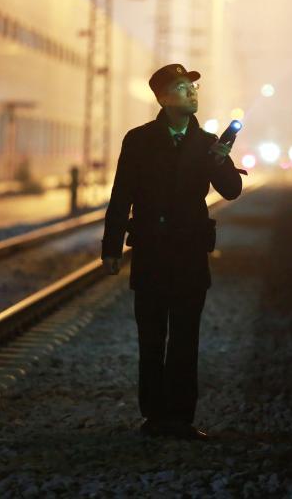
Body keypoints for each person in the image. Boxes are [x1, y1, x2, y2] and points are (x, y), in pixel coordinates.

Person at [101, 63, 243, 441]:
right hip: (150, 253)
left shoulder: (207, 143)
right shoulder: (138, 140)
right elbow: (121, 197)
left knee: (185, 339)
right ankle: (153, 416)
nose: (192, 93)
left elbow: (231, 191)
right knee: (150, 339)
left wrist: (221, 162)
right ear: (163, 98)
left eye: (193, 87)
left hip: (190, 255)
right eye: (181, 88)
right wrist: (110, 247)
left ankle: (180, 418)